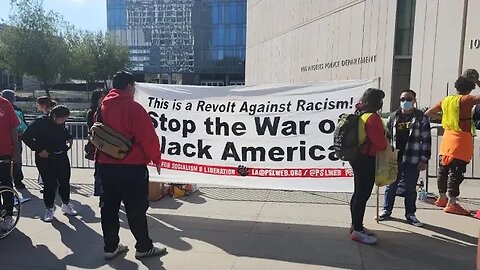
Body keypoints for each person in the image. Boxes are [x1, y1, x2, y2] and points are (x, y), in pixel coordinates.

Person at [96, 71, 165, 260]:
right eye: (133, 86)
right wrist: (156, 159)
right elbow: (147, 137)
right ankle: (143, 247)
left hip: (105, 165)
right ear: (128, 86)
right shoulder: (133, 108)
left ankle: (110, 247)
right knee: (136, 208)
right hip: (131, 165)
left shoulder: (102, 106)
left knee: (109, 207)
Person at [425, 76, 480, 215]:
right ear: (470, 88)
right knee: (456, 173)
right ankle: (452, 203)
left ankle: (442, 198)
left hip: (447, 140)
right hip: (461, 141)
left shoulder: (446, 100)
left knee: (443, 171)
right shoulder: (466, 99)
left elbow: (428, 113)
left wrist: (443, 118)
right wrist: (478, 81)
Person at [377, 89, 431, 226]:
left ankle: (410, 214)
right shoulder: (393, 116)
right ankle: (386, 210)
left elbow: (426, 140)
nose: (405, 102)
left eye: (408, 99)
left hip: (412, 158)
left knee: (410, 188)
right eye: (402, 99)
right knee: (391, 186)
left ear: (414, 100)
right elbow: (387, 137)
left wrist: (424, 160)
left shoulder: (421, 118)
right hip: (394, 158)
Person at [22, 105, 77, 222]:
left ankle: (66, 204)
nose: (63, 122)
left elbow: (63, 132)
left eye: (65, 120)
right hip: (45, 158)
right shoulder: (40, 123)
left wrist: (69, 138)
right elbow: (26, 136)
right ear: (54, 116)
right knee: (49, 184)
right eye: (62, 119)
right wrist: (39, 149)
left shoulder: (60, 123)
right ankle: (49, 208)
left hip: (61, 155)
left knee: (64, 180)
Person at [349, 88, 387, 245]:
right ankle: (357, 230)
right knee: (363, 195)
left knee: (358, 192)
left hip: (356, 157)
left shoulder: (360, 113)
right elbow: (380, 143)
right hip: (367, 159)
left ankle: (355, 226)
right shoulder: (373, 118)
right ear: (377, 102)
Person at [0, 96, 20, 231]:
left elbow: (14, 129)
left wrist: (16, 153)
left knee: (5, 183)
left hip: (4, 151)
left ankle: (8, 215)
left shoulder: (5, 103)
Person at [1, 90, 27, 189]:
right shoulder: (17, 110)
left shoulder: (8, 107)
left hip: (7, 143)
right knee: (16, 161)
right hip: (15, 140)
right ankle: (18, 181)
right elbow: (23, 126)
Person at [85, 89, 106, 206]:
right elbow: (90, 128)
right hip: (97, 144)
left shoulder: (105, 110)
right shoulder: (92, 112)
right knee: (98, 172)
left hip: (105, 144)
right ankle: (101, 197)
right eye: (102, 96)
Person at [35, 96, 56, 191]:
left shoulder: (44, 119)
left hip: (46, 149)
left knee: (47, 171)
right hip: (52, 148)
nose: (36, 106)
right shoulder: (54, 116)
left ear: (43, 105)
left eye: (38, 104)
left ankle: (49, 186)